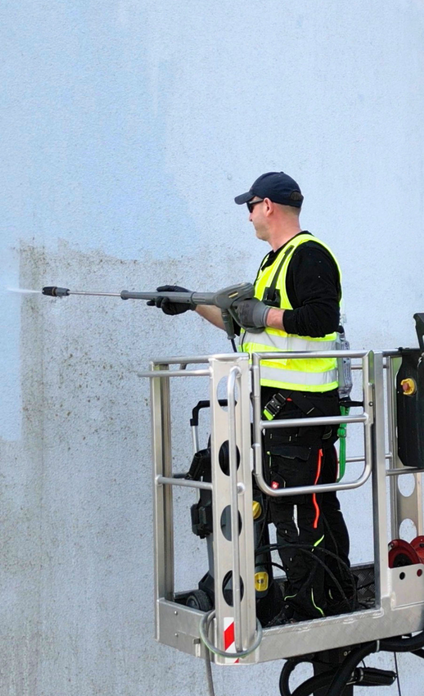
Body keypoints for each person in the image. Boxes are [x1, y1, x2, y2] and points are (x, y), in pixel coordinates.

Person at [150, 171, 353, 623]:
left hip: (303, 411)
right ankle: (299, 599)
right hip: (276, 410)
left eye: (251, 207)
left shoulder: (309, 255)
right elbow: (248, 328)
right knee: (284, 509)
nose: (248, 217)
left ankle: (317, 606)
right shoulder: (271, 262)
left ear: (268, 206)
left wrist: (265, 314)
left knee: (305, 512)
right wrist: (190, 303)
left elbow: (320, 318)